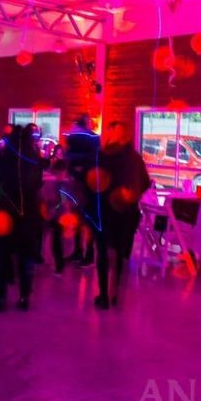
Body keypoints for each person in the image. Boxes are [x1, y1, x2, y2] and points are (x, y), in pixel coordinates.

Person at [87, 122, 150, 309]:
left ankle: (104, 295)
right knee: (119, 251)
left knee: (103, 252)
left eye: (110, 132)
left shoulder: (102, 156)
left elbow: (92, 182)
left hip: (104, 211)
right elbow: (145, 183)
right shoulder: (134, 158)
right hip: (126, 212)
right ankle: (114, 293)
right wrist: (130, 194)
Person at [0, 125, 43, 312]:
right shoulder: (33, 160)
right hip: (28, 214)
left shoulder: (3, 159)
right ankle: (24, 297)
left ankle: (1, 297)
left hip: (5, 214)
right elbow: (38, 185)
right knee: (26, 257)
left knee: (1, 254)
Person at [65, 114, 100, 267]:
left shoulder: (74, 138)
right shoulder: (93, 139)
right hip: (87, 184)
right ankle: (84, 253)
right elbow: (95, 159)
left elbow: (69, 158)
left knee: (81, 219)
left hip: (79, 183)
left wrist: (74, 171)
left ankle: (84, 253)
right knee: (85, 219)